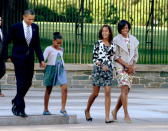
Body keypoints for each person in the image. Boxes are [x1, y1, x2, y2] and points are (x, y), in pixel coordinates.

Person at [4, 9, 45, 117]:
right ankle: (20, 108)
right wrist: (6, 56)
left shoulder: (35, 27)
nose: (31, 21)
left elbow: (37, 45)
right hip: (18, 58)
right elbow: (6, 42)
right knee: (21, 82)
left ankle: (16, 99)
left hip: (30, 59)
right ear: (24, 17)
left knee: (28, 82)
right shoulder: (15, 27)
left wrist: (41, 59)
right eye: (29, 19)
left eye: (33, 19)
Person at [85, 25, 115, 123]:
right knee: (95, 93)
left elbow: (113, 58)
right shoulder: (98, 43)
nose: (104, 33)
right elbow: (94, 59)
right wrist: (102, 65)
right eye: (103, 31)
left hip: (108, 71)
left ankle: (107, 117)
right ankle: (87, 110)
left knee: (107, 92)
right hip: (98, 70)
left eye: (106, 31)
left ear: (109, 32)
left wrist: (111, 67)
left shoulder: (113, 44)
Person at [112, 20, 139, 122]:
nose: (125, 30)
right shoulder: (116, 40)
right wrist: (126, 65)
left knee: (126, 90)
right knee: (124, 88)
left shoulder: (133, 39)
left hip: (130, 68)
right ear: (120, 29)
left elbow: (136, 54)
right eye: (123, 28)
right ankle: (126, 114)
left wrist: (132, 66)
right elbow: (116, 56)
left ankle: (114, 111)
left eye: (127, 28)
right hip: (120, 66)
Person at [43, 32, 68, 117]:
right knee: (48, 89)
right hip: (51, 69)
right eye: (57, 42)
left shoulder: (61, 49)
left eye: (60, 43)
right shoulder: (48, 48)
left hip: (61, 69)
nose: (59, 44)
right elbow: (43, 59)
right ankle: (46, 109)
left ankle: (63, 109)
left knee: (64, 88)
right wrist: (43, 64)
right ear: (53, 41)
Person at [0, 16, 5, 97]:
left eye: (0, 20)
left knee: (2, 71)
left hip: (1, 56)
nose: (0, 21)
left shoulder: (1, 30)